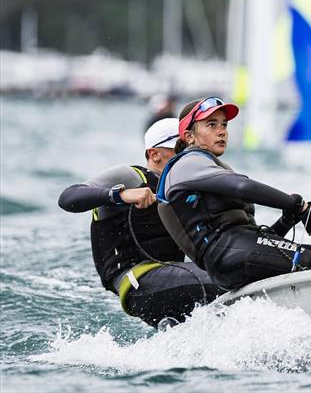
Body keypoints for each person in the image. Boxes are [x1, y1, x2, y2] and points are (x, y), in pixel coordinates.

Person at [156, 97, 311, 291]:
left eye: (224, 125)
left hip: (238, 252)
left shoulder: (210, 166)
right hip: (226, 256)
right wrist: (295, 204)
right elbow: (243, 188)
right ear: (189, 136)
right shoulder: (187, 163)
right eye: (211, 125)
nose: (221, 131)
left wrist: (288, 219)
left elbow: (255, 241)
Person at [58, 118, 223, 327]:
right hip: (138, 281)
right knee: (227, 281)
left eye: (191, 150)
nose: (187, 158)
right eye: (179, 150)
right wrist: (121, 194)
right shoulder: (130, 177)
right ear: (154, 154)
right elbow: (68, 198)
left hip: (175, 280)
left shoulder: (188, 193)